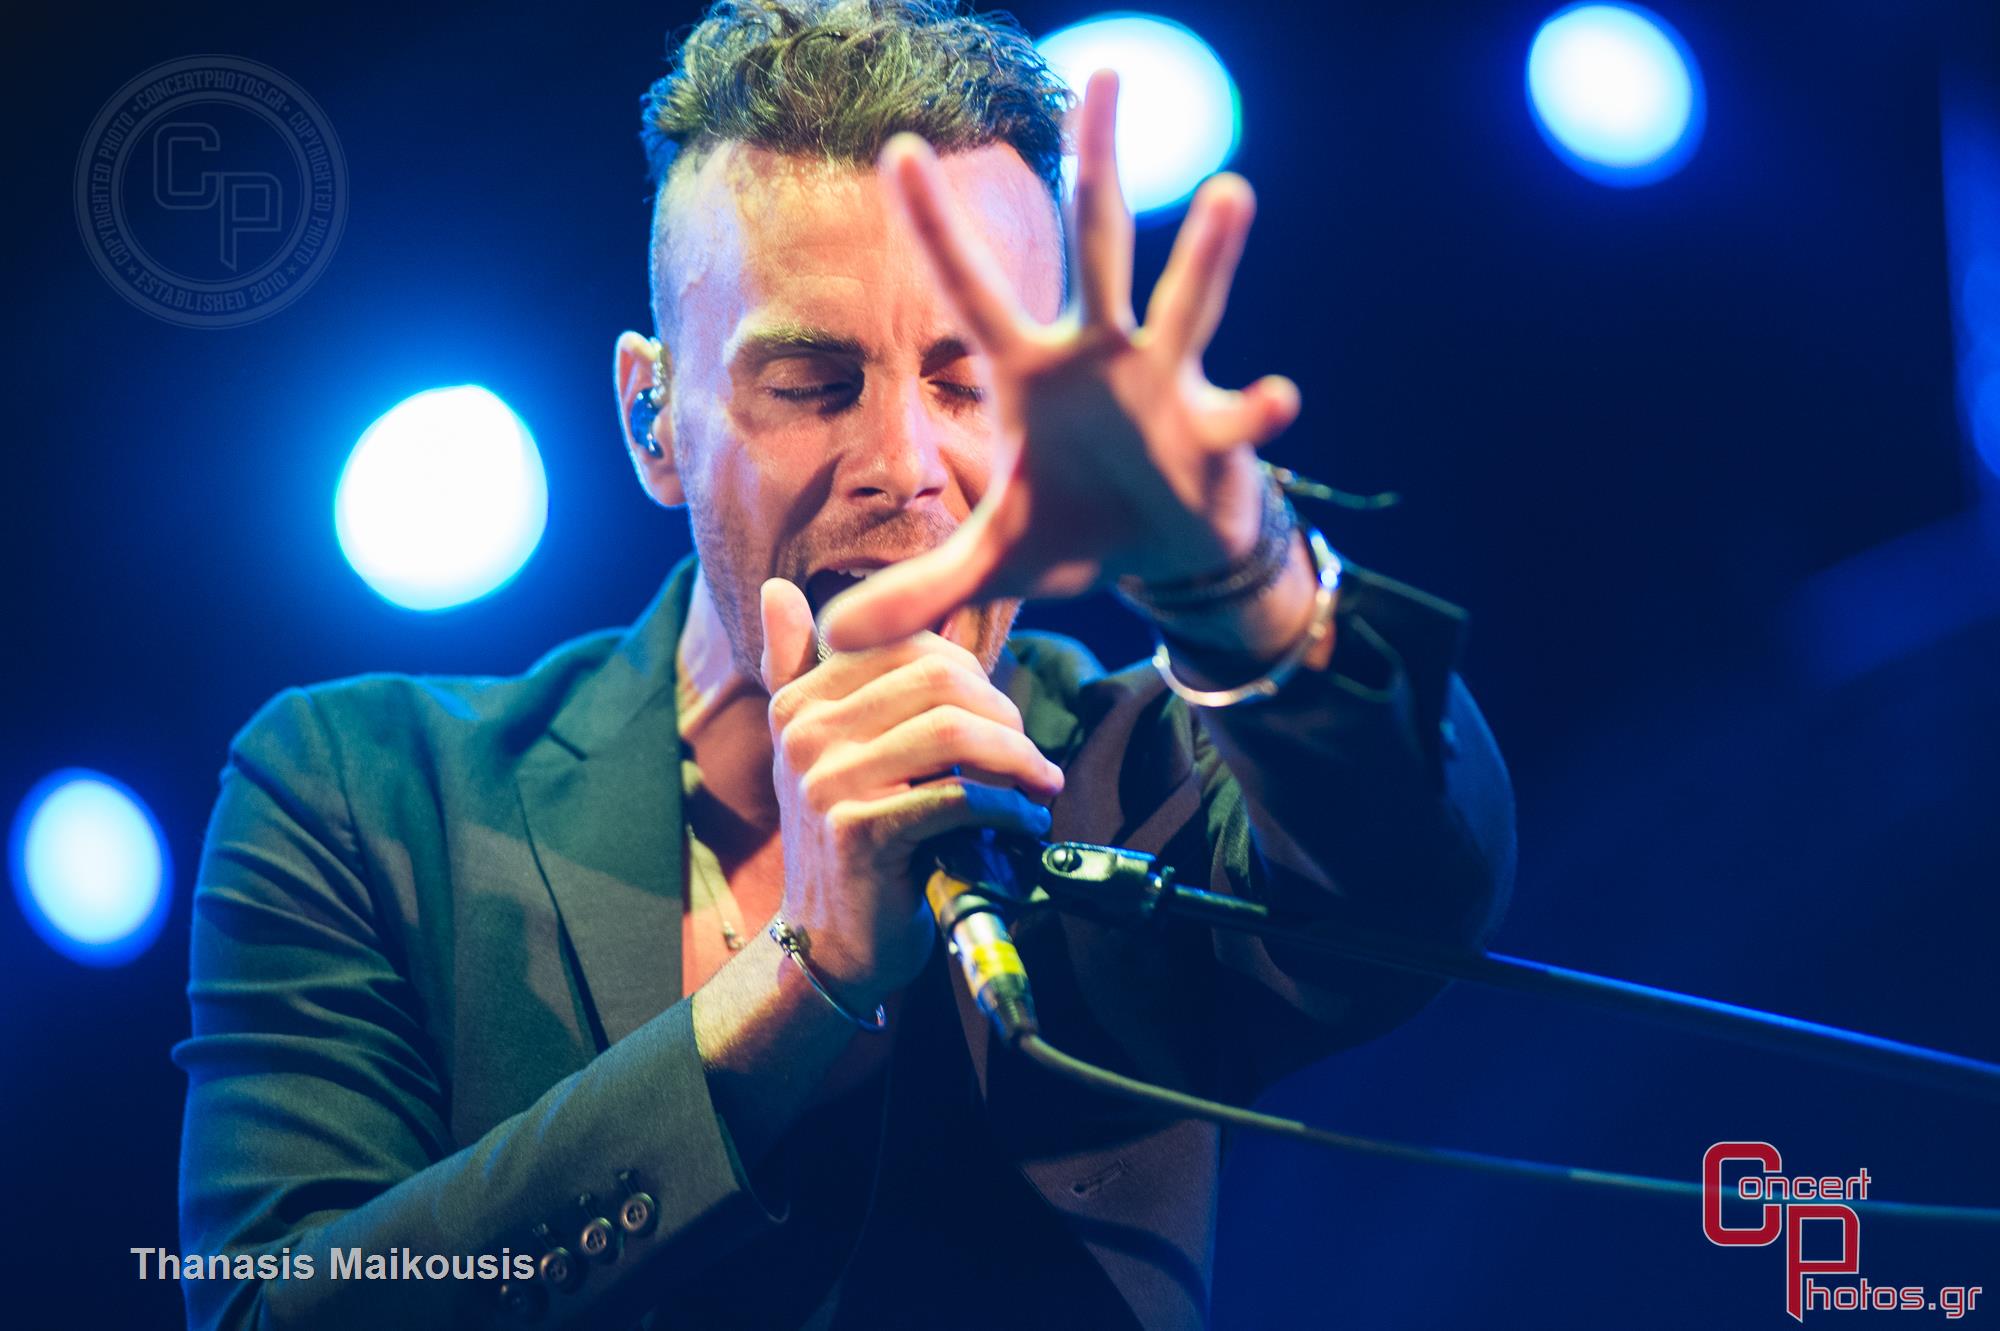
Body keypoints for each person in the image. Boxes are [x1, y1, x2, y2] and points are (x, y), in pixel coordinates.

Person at [174, 2, 1517, 1327]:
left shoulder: (1146, 770)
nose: (903, 466)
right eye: (814, 384)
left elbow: (1418, 893)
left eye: (971, 382)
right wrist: (800, 979)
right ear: (652, 419)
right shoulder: (365, 789)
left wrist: (1246, 574)